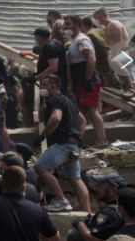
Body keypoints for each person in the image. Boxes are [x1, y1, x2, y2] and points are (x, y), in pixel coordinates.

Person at [33, 75, 91, 212]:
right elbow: (83, 121)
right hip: (74, 146)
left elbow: (56, 118)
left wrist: (42, 137)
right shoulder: (68, 101)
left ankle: (62, 201)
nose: (41, 88)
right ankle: (87, 213)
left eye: (43, 85)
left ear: (52, 87)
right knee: (75, 178)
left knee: (40, 167)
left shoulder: (54, 100)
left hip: (63, 144)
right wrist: (77, 139)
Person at [65, 14, 107, 147]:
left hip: (86, 81)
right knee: (87, 110)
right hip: (80, 81)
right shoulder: (75, 41)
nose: (65, 27)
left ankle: (102, 141)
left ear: (77, 25)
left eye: (68, 24)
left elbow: (90, 59)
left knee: (92, 110)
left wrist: (88, 80)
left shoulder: (82, 40)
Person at [68, 173, 125, 241]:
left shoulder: (109, 212)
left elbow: (95, 239)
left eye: (99, 186)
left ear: (113, 191)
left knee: (74, 233)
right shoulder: (123, 208)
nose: (95, 189)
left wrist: (79, 223)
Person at [94, 7, 135, 95]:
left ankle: (131, 89)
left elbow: (118, 43)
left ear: (100, 16)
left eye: (95, 18)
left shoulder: (115, 24)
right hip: (119, 54)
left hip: (126, 52)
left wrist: (114, 57)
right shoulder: (106, 28)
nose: (95, 20)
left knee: (117, 63)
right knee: (125, 79)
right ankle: (129, 90)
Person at [82, 16, 119, 91]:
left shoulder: (88, 35)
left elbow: (104, 49)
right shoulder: (98, 31)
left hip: (103, 69)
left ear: (82, 25)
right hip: (111, 65)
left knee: (107, 92)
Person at [32, 27, 69, 93]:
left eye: (35, 37)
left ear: (39, 37)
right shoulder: (50, 46)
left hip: (53, 85)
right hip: (51, 84)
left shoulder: (50, 47)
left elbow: (53, 68)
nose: (35, 39)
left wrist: (36, 78)